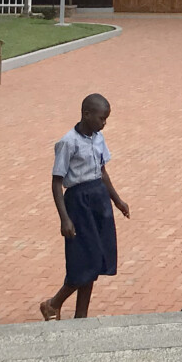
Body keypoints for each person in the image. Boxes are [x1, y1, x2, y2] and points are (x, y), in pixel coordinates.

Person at [39, 93, 131, 321]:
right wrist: (64, 218)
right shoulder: (68, 142)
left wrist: (117, 201)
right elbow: (56, 182)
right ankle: (53, 303)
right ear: (86, 114)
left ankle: (81, 314)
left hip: (99, 200)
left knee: (97, 259)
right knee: (83, 259)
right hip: (79, 203)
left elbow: (102, 172)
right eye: (101, 118)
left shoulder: (99, 138)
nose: (104, 124)